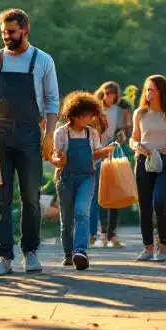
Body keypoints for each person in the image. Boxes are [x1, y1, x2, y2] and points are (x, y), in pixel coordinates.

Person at [0, 9, 61, 276]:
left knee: (31, 198)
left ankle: (30, 253)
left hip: (30, 134)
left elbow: (52, 102)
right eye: (3, 33)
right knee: (0, 198)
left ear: (25, 29)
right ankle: (3, 257)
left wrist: (49, 137)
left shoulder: (43, 60)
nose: (6, 37)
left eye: (11, 32)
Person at [51, 91, 118, 270]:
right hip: (65, 178)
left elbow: (94, 154)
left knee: (82, 212)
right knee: (66, 219)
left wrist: (105, 151)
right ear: (72, 114)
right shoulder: (61, 133)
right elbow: (55, 158)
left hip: (86, 178)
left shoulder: (92, 133)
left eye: (89, 115)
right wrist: (59, 160)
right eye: (83, 115)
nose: (86, 119)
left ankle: (80, 251)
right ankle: (68, 254)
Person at [131, 75, 166, 263]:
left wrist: (161, 150)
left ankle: (163, 247)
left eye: (152, 89)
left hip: (165, 160)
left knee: (159, 200)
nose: (148, 93)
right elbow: (134, 137)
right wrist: (136, 146)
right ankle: (147, 248)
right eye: (147, 89)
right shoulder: (140, 113)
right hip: (143, 161)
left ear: (162, 91)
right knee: (144, 206)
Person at [91, 81, 131, 249]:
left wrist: (121, 134)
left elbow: (124, 133)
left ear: (116, 95)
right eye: (106, 93)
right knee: (100, 195)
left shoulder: (119, 111)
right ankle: (101, 232)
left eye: (111, 94)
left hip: (113, 155)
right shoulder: (96, 111)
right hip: (98, 155)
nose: (108, 96)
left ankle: (112, 234)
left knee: (115, 195)